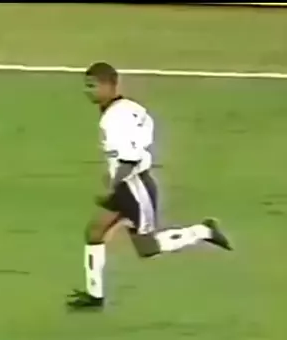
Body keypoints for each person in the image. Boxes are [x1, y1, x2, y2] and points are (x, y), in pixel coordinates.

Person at [67, 62, 232, 310]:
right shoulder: (130, 107)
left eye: (93, 86)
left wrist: (112, 186)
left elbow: (130, 159)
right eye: (86, 86)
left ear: (110, 85)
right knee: (94, 232)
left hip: (135, 187)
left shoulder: (113, 120)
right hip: (127, 183)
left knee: (147, 247)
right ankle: (95, 295)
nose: (87, 91)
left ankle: (203, 231)